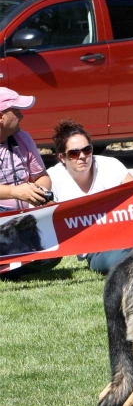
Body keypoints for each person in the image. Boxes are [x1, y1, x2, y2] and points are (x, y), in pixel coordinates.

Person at [48, 119, 133, 274]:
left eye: (87, 150)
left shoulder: (111, 165)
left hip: (128, 235)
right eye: (74, 153)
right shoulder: (53, 178)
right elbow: (45, 218)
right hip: (96, 249)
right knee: (117, 261)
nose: (82, 156)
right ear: (62, 157)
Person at [0, 87, 59, 279]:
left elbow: (42, 176)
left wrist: (39, 192)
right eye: (17, 112)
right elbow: (16, 191)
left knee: (52, 255)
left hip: (21, 220)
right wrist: (15, 192)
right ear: (1, 117)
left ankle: (12, 264)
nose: (22, 116)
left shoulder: (22, 138)